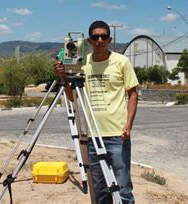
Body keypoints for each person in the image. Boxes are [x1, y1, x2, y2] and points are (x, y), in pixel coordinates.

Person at [54, 20, 139, 204]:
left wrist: (128, 126)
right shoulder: (82, 64)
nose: (100, 40)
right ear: (89, 42)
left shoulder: (121, 61)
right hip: (94, 136)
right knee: (100, 191)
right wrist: (63, 77)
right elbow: (73, 97)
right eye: (95, 37)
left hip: (118, 134)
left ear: (110, 39)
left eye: (103, 36)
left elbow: (133, 93)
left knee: (123, 188)